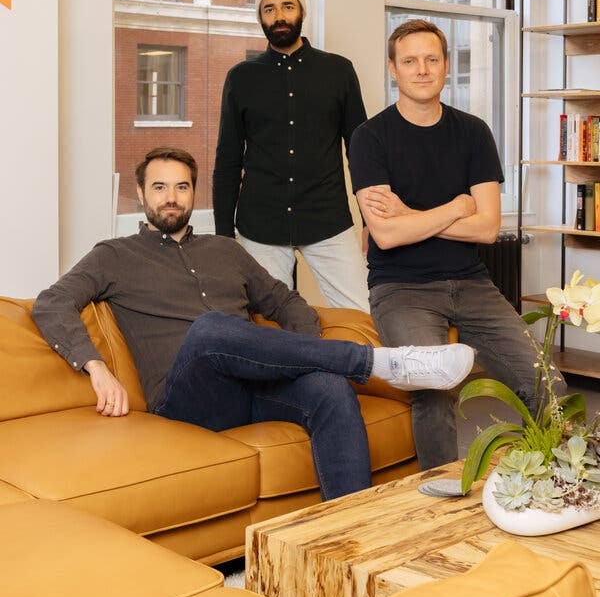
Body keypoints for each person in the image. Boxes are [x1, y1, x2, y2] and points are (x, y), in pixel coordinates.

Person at [32, 146, 474, 501]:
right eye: (160, 187)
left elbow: (286, 302)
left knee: (330, 389)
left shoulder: (226, 251)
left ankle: (349, 528)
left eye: (182, 187)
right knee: (210, 328)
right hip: (188, 400)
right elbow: (52, 303)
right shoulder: (114, 255)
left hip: (254, 389)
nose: (171, 196)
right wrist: (96, 367)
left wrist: (308, 359)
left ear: (194, 194)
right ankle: (381, 362)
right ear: (141, 194)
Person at [349, 19, 567, 470]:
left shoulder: (473, 132)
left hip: (472, 283)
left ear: (447, 66)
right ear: (393, 69)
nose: (422, 70)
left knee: (549, 384)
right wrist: (454, 208)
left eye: (432, 59)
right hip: (401, 289)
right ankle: (437, 502)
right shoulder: (370, 138)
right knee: (431, 389)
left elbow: (487, 228)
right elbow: (385, 236)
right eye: (410, 61)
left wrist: (410, 214)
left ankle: (552, 482)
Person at [212, 0, 369, 311]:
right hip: (260, 227)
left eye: (287, 6)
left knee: (362, 314)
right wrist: (224, 236)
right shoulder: (240, 78)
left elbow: (360, 151)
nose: (279, 15)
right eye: (269, 9)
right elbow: (227, 160)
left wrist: (372, 221)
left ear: (301, 12)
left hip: (328, 220)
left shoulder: (339, 71)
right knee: (266, 326)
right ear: (261, 19)